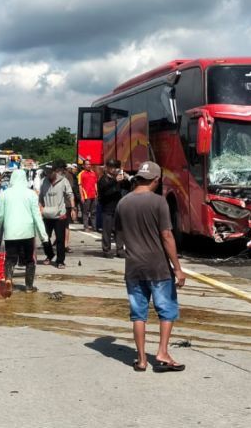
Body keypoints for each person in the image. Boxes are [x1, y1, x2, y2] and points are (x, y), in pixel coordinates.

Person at [115, 161, 186, 372]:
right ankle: (162, 352)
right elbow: (166, 235)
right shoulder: (159, 202)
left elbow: (119, 234)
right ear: (156, 180)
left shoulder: (123, 203)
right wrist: (178, 268)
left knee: (138, 313)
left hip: (134, 267)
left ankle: (141, 359)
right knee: (166, 311)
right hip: (158, 267)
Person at [0, 169, 47, 293]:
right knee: (29, 260)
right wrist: (43, 236)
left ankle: (9, 280)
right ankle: (29, 287)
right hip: (27, 233)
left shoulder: (4, 194)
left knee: (10, 259)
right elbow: (37, 216)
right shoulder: (31, 194)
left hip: (11, 233)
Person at [39, 167, 75, 269]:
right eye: (46, 173)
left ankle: (60, 261)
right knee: (45, 237)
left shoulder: (63, 181)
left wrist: (73, 208)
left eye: (50, 173)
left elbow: (70, 195)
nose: (48, 175)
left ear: (55, 172)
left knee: (60, 239)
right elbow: (41, 197)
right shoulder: (44, 182)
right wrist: (40, 208)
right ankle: (50, 254)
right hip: (47, 214)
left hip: (60, 215)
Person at [98, 159, 129, 258]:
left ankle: (120, 250)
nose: (114, 169)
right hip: (107, 207)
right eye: (111, 167)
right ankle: (106, 250)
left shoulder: (118, 178)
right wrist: (115, 181)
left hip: (118, 207)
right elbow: (105, 191)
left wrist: (125, 179)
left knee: (119, 229)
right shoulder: (103, 179)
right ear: (107, 168)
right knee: (107, 230)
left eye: (115, 167)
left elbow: (126, 187)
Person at [78, 162, 98, 232]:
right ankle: (86, 227)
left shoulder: (93, 173)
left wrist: (97, 193)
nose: (89, 165)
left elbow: (95, 183)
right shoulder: (81, 174)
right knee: (85, 212)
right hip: (86, 196)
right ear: (83, 165)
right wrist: (82, 196)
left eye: (90, 164)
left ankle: (94, 227)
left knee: (94, 212)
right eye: (87, 164)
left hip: (94, 195)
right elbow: (80, 186)